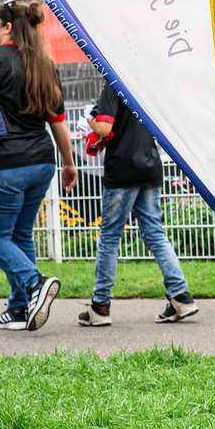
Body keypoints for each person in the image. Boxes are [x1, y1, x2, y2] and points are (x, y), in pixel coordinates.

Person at [0, 0, 75, 332]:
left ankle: (35, 284)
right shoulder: (44, 64)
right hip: (41, 163)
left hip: (5, 164)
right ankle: (20, 308)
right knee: (20, 234)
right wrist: (69, 163)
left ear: (8, 27)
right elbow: (58, 121)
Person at [77, 83, 197, 326]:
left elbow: (104, 126)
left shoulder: (112, 85)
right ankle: (181, 296)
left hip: (122, 168)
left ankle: (100, 306)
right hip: (150, 165)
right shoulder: (144, 84)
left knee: (110, 237)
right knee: (155, 233)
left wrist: (89, 121)